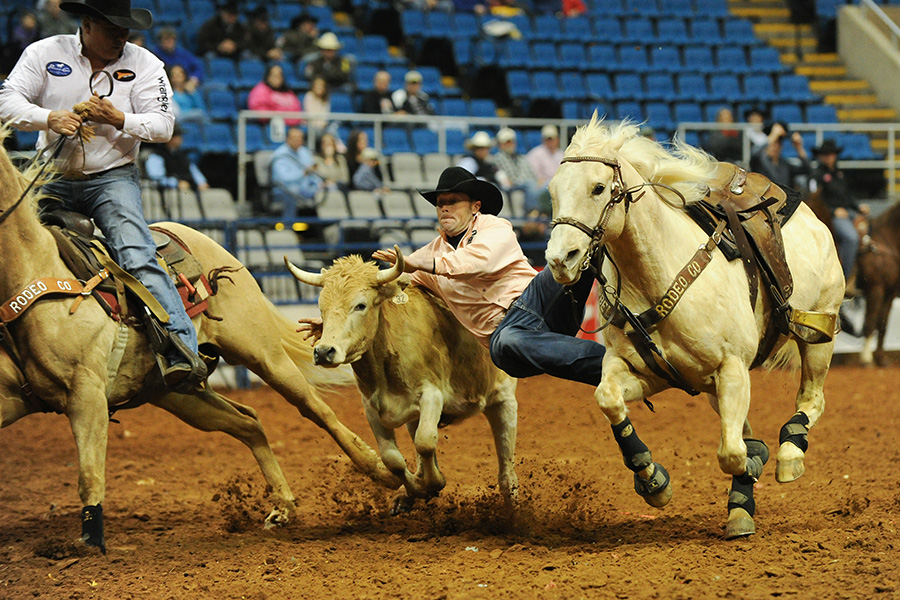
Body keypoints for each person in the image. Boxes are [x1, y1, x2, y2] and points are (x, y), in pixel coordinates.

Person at [0, 0, 206, 390]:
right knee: (9, 248)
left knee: (136, 253)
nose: (122, 35)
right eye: (113, 27)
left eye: (125, 28)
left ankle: (182, 351)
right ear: (88, 24)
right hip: (52, 177)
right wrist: (50, 117)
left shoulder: (146, 64)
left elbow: (164, 125)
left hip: (112, 178)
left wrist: (119, 118)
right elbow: (5, 102)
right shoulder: (44, 53)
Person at [362, 167, 606, 386]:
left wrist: (422, 264)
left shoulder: (495, 227)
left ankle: (640, 316)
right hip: (504, 333)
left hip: (538, 299)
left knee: (585, 249)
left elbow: (478, 261)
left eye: (453, 201)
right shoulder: (426, 257)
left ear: (475, 206)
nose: (444, 207)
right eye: (440, 203)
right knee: (507, 341)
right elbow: (392, 281)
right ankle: (611, 366)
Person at [810, 139, 868, 284]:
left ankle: (863, 277)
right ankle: (843, 279)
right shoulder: (817, 175)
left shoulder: (839, 173)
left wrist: (858, 206)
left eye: (832, 154)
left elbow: (848, 195)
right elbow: (815, 201)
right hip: (831, 217)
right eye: (826, 154)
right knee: (851, 238)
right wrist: (834, 211)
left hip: (849, 212)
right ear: (820, 156)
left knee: (869, 230)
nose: (830, 157)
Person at [269, 126, 321, 219]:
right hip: (284, 189)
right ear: (287, 139)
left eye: (300, 138)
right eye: (295, 138)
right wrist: (302, 174)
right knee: (292, 192)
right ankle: (288, 226)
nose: (298, 141)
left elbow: (312, 172)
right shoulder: (280, 154)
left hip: (305, 188)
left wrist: (319, 183)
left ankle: (324, 226)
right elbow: (281, 179)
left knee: (327, 190)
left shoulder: (305, 152)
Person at [493, 127, 543, 216]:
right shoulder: (499, 158)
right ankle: (532, 211)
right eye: (507, 142)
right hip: (513, 185)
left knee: (545, 185)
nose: (510, 144)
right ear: (501, 144)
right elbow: (509, 178)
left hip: (526, 182)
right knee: (530, 184)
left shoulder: (521, 157)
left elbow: (531, 173)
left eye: (511, 141)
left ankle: (544, 215)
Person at [144, 124, 209, 192]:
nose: (181, 139)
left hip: (186, 191)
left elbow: (192, 169)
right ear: (169, 138)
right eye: (177, 136)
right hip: (167, 193)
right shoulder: (156, 156)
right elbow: (156, 179)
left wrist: (201, 182)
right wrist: (176, 183)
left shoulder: (181, 155)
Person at [749, 121, 811, 190]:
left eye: (778, 144)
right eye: (772, 144)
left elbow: (807, 169)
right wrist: (772, 136)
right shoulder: (759, 162)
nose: (775, 147)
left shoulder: (785, 164)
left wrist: (799, 148)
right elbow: (753, 154)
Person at [526, 123, 564, 190]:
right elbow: (534, 175)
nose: (550, 142)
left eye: (552, 139)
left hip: (559, 185)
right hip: (542, 186)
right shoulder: (535, 154)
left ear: (557, 140)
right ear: (543, 140)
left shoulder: (562, 154)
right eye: (548, 139)